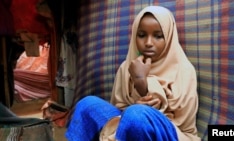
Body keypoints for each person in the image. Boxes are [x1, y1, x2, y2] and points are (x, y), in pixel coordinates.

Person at [66, 5, 201, 141]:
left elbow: (182, 121)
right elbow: (119, 108)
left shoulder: (184, 70)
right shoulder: (127, 67)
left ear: (169, 37)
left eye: (158, 36)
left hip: (172, 132)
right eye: (142, 35)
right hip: (128, 122)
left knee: (136, 115)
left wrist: (141, 83)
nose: (148, 43)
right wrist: (136, 104)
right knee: (87, 104)